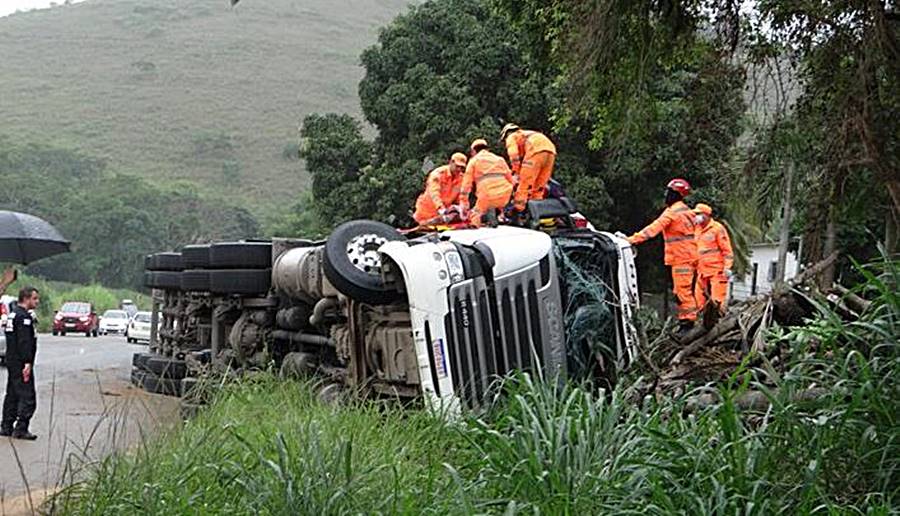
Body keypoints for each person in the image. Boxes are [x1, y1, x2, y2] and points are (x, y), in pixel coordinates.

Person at [627, 178, 699, 334]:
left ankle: (688, 323)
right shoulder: (688, 212)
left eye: (669, 192)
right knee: (683, 290)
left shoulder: (672, 213)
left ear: (675, 195)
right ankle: (686, 320)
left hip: (682, 258)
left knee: (683, 291)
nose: (666, 195)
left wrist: (631, 240)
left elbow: (652, 230)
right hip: (688, 257)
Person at [2, 287, 40, 440]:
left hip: (12, 361)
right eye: (35, 298)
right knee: (27, 395)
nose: (37, 302)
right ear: (26, 298)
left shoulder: (12, 314)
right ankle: (21, 428)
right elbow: (24, 342)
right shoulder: (23, 317)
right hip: (20, 362)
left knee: (12, 394)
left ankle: (6, 425)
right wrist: (27, 362)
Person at [499, 123, 557, 213]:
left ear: (506, 134)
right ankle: (537, 210)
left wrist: (516, 172)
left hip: (535, 151)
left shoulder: (512, 137)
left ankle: (518, 210)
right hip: (551, 151)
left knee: (524, 183)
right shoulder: (527, 134)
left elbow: (513, 155)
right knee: (539, 186)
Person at [459, 139, 514, 228]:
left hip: (486, 195)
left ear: (473, 151)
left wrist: (464, 202)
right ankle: (501, 216)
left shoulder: (474, 161)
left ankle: (474, 230)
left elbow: (466, 184)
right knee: (497, 207)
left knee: (475, 215)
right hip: (505, 195)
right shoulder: (499, 159)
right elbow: (510, 179)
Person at [693, 203, 734, 315]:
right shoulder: (697, 229)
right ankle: (700, 319)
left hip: (717, 271)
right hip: (701, 271)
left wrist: (727, 267)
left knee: (717, 299)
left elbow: (727, 251)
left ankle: (719, 318)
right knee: (698, 299)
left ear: (706, 215)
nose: (696, 216)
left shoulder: (717, 229)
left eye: (698, 213)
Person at [413, 153, 467, 225]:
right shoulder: (437, 174)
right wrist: (441, 208)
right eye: (457, 166)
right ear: (451, 162)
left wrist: (461, 208)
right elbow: (434, 193)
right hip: (425, 214)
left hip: (442, 217)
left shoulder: (461, 178)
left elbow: (461, 197)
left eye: (462, 167)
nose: (459, 169)